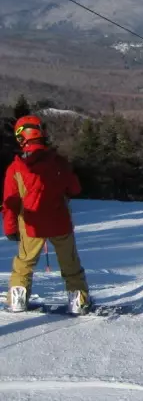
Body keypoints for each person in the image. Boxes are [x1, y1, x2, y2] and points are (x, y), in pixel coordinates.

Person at [3, 115, 91, 314]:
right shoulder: (59, 162)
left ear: (20, 137)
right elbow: (75, 188)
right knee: (70, 264)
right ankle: (78, 301)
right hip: (60, 221)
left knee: (24, 263)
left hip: (31, 224)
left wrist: (10, 227)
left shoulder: (16, 168)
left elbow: (11, 202)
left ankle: (18, 300)